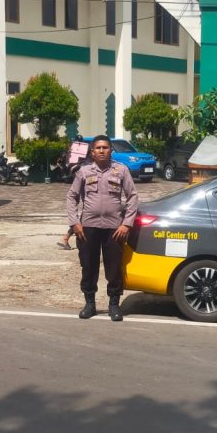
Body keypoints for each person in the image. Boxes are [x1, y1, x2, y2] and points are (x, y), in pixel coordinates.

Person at [66, 134, 138, 321]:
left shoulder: (121, 170)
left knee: (114, 268)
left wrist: (126, 224)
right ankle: (90, 303)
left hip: (114, 228)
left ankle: (114, 304)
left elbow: (132, 197)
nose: (101, 151)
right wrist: (75, 223)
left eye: (105, 147)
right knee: (88, 266)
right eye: (98, 148)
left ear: (110, 150)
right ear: (92, 152)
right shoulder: (84, 171)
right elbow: (71, 197)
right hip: (88, 227)